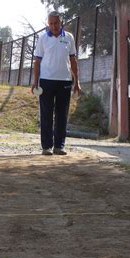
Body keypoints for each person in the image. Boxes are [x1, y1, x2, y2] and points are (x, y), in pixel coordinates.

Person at [31, 11, 81, 156]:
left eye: (56, 23)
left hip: (65, 81)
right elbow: (37, 61)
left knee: (62, 114)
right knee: (46, 114)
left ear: (61, 22)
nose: (54, 26)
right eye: (51, 23)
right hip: (46, 81)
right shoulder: (42, 39)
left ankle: (59, 146)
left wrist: (77, 82)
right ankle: (46, 146)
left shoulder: (69, 38)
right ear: (48, 23)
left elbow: (73, 61)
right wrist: (36, 81)